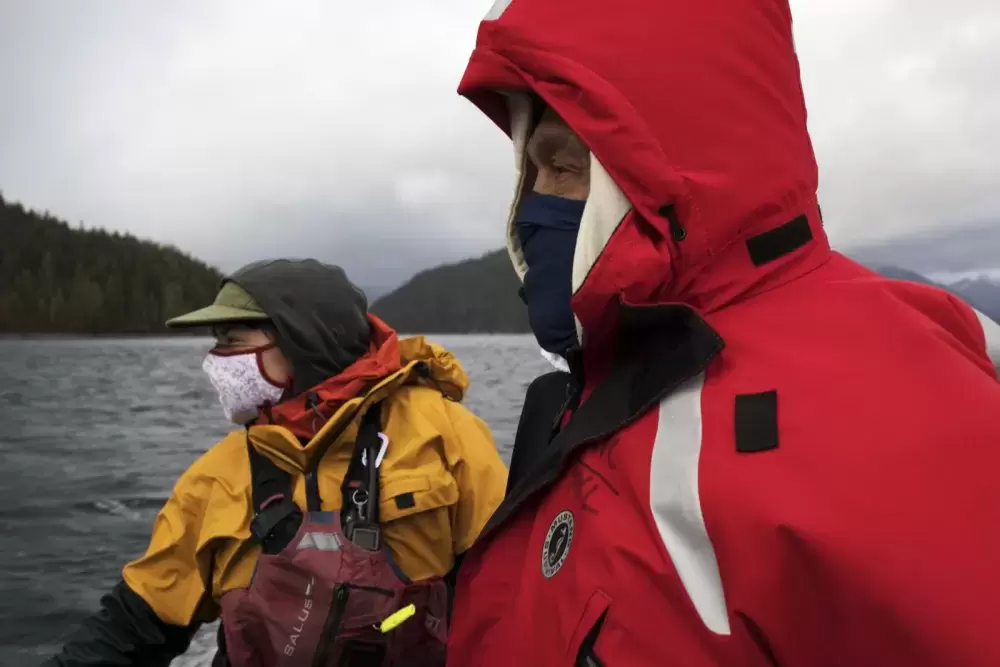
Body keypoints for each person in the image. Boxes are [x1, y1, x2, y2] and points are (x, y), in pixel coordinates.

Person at [446, 1, 1000, 665]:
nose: (534, 204)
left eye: (564, 169)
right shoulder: (591, 388)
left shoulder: (901, 414)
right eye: (530, 171)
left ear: (661, 161)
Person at [43, 258, 507, 667]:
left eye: (231, 340)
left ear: (302, 338)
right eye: (216, 342)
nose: (215, 361)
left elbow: (508, 592)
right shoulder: (214, 477)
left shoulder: (447, 434)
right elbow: (136, 623)